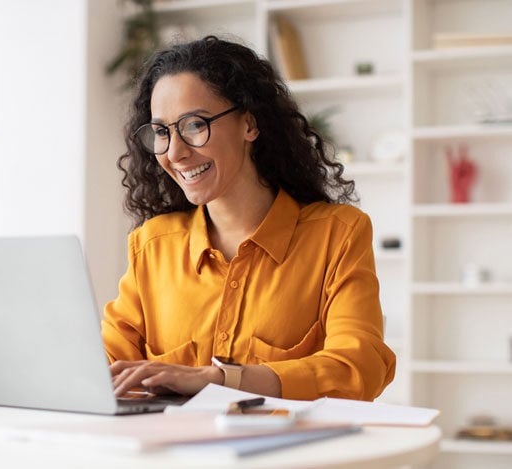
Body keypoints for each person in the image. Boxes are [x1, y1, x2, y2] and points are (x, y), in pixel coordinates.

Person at [102, 35, 396, 401]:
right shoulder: (152, 245)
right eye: (162, 132)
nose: (174, 153)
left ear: (249, 125)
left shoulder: (338, 234)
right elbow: (105, 367)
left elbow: (358, 367)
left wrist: (222, 380)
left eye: (194, 125)